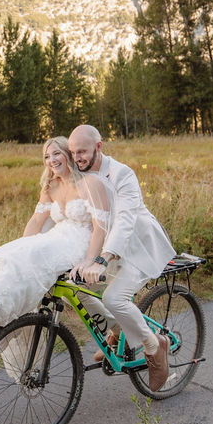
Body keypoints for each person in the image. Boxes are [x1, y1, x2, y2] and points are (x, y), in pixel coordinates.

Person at [0, 137, 113, 352]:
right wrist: (22, 247)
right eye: (46, 156)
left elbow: (100, 227)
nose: (51, 160)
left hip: (81, 244)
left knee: (33, 259)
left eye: (56, 153)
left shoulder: (87, 183)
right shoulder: (51, 185)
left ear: (68, 154)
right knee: (2, 256)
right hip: (57, 239)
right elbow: (36, 220)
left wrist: (91, 260)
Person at [68, 124, 176, 391]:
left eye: (82, 151)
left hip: (138, 247)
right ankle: (117, 332)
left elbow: (125, 221)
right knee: (78, 287)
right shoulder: (82, 178)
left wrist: (104, 258)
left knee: (113, 298)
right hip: (108, 248)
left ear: (99, 147)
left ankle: (155, 346)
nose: (77, 157)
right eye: (72, 152)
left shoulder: (122, 174)